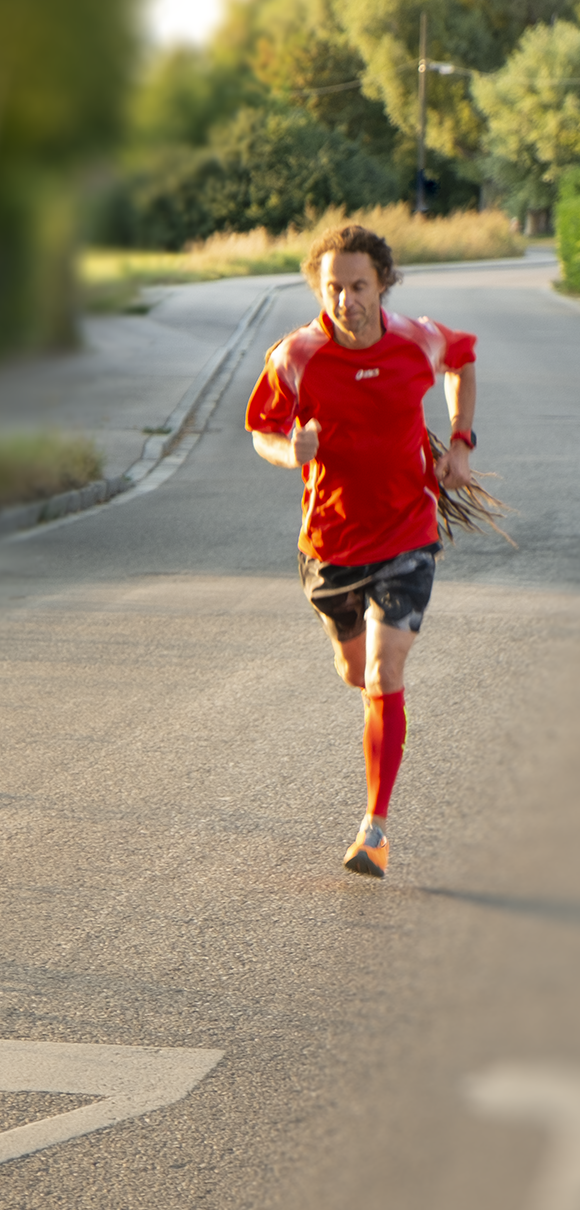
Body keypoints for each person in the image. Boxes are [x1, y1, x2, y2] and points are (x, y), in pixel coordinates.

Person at [246, 224, 476, 877]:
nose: (345, 299)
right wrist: (286, 450)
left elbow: (461, 359)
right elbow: (261, 429)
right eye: (333, 287)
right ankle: (373, 787)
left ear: (381, 284)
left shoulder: (415, 339)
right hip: (329, 544)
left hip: (407, 533)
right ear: (318, 289)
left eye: (357, 285)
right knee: (354, 673)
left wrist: (461, 439)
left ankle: (373, 828)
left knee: (383, 673)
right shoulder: (296, 355)